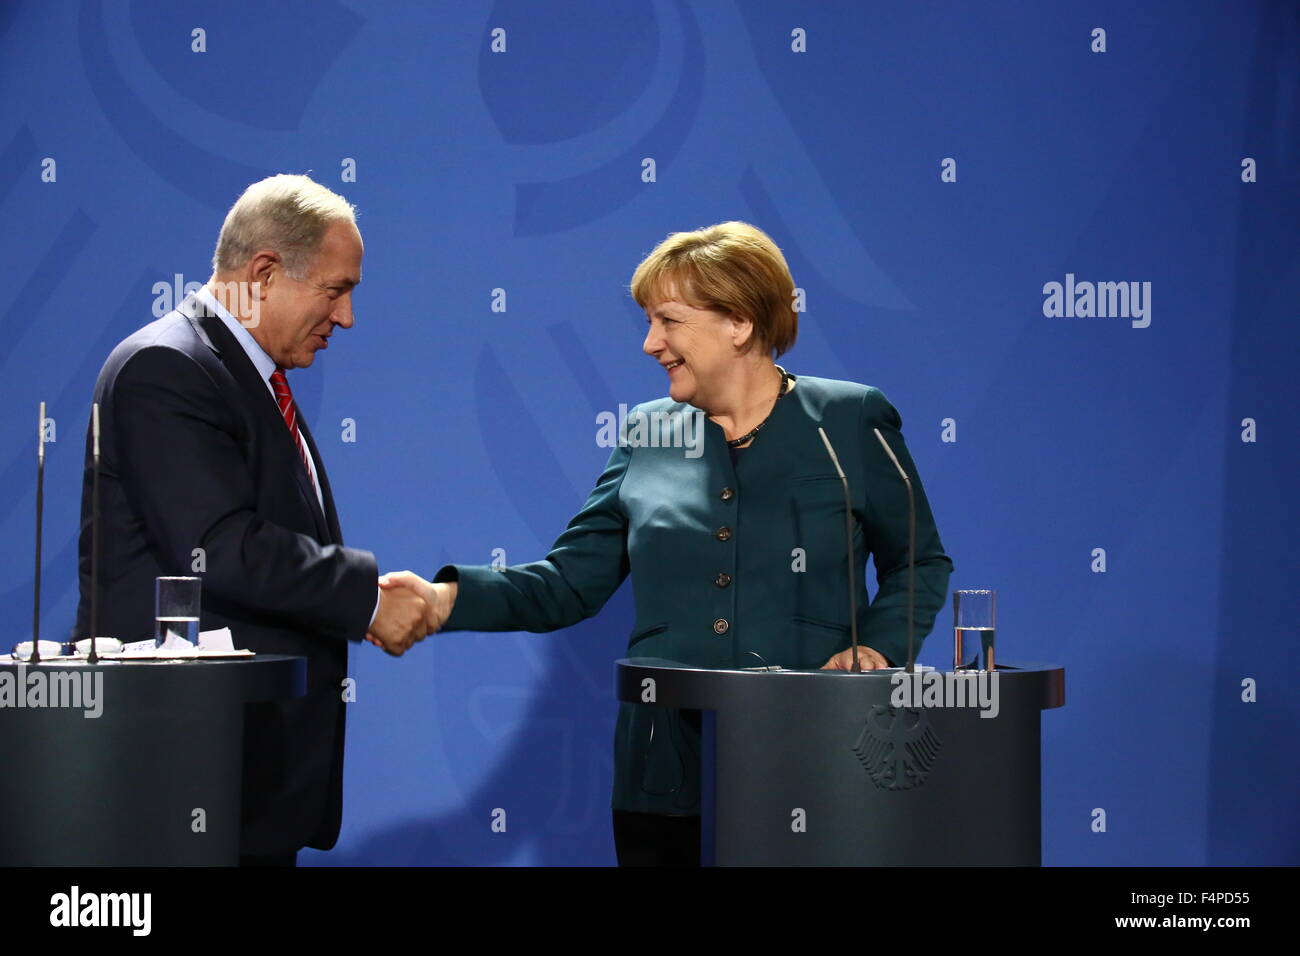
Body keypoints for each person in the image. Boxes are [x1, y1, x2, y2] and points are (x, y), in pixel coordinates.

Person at [384, 221, 953, 866]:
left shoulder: (849, 419)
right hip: (663, 771)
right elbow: (569, 582)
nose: (651, 343)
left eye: (669, 322)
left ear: (739, 323)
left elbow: (918, 561)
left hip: (814, 758)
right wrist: (442, 600)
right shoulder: (649, 432)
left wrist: (878, 647)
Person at [74, 174, 432, 866]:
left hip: (245, 779)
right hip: (180, 777)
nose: (348, 316)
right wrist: (365, 599)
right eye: (336, 289)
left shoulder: (244, 376)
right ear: (264, 272)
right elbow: (219, 547)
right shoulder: (167, 366)